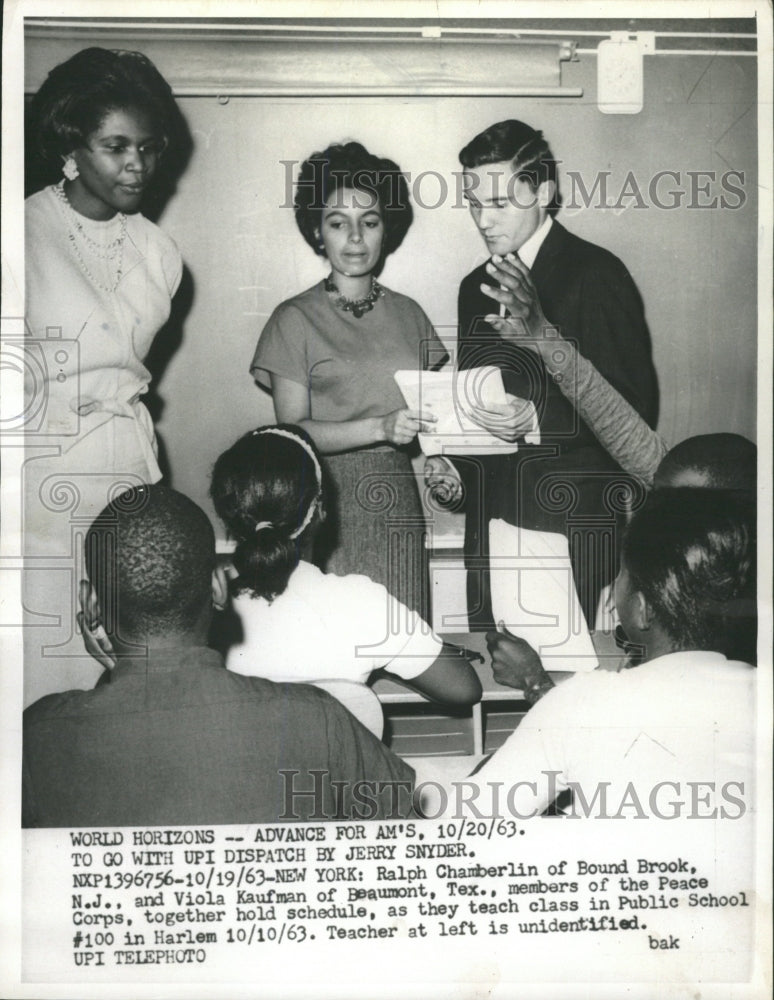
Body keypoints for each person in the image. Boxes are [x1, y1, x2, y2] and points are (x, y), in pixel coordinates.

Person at [22, 484, 417, 827]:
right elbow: (411, 851)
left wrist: (120, 677)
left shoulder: (33, 739)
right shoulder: (318, 718)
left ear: (90, 603)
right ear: (217, 587)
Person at [428, 119, 658, 628]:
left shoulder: (597, 274)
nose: (483, 220)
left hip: (573, 534)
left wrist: (532, 418)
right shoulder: (475, 288)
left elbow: (632, 420)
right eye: (473, 202)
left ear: (544, 193)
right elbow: (481, 407)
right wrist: (456, 473)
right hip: (491, 537)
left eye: (500, 202)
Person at [23, 47, 187, 706]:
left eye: (148, 148)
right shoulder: (21, 235)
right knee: (51, 674)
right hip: (41, 479)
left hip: (129, 476)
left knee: (131, 683)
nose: (137, 165)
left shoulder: (160, 252)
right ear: (70, 145)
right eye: (115, 146)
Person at [439, 488, 756, 818]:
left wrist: (537, 687)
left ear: (643, 609)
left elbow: (459, 825)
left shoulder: (577, 704)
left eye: (623, 575)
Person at [250, 141, 448, 618]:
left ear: (387, 230)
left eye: (370, 222)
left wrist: (446, 466)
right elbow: (292, 433)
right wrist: (381, 427)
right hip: (323, 505)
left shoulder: (410, 314)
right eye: (338, 223)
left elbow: (436, 418)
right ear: (318, 233)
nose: (356, 238)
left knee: (406, 642)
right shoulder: (292, 319)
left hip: (398, 497)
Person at [210, 425, 482, 736]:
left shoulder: (198, 607)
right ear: (320, 511)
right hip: (335, 783)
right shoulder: (361, 602)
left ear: (228, 514)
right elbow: (465, 690)